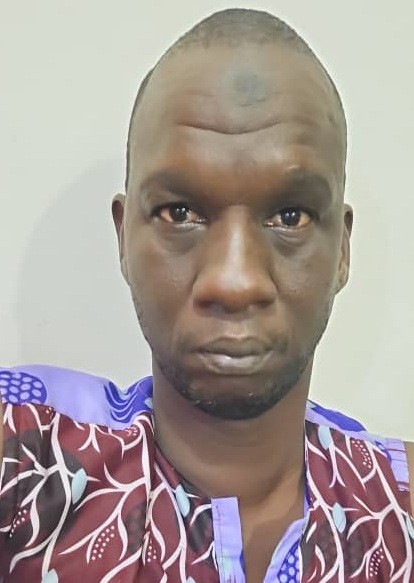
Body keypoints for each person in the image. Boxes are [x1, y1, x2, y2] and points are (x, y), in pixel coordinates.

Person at [0, 7, 413, 583]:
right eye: (180, 212)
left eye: (290, 216)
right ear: (123, 236)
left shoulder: (397, 508)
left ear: (342, 249)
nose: (234, 281)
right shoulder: (27, 452)